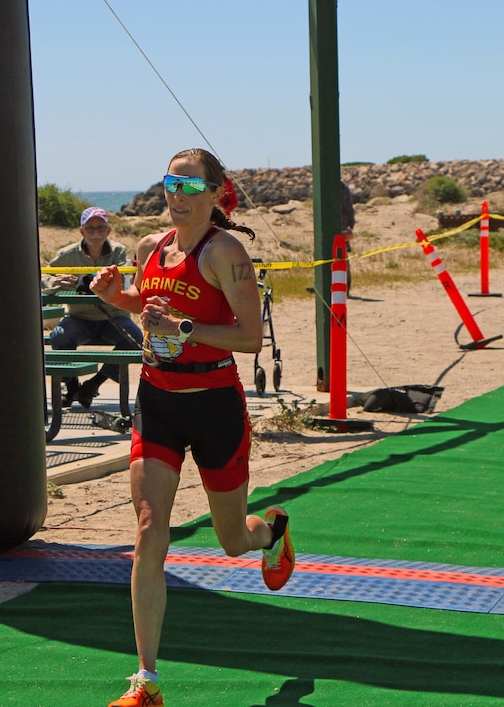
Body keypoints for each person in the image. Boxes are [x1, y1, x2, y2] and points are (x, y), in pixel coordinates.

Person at [89, 148, 295, 707]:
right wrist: (118, 299)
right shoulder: (149, 247)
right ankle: (146, 681)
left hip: (214, 406)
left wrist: (183, 327)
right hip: (158, 399)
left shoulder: (225, 252)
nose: (176, 197)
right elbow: (146, 307)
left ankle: (271, 530)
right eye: (169, 185)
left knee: (232, 542)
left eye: (188, 187)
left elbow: (251, 338)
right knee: (150, 528)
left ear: (215, 192)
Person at [43, 207, 143, 409]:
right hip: (79, 317)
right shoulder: (67, 254)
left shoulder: (118, 251)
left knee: (135, 339)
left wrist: (80, 281)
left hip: (113, 316)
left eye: (100, 228)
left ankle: (92, 384)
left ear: (108, 230)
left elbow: (120, 281)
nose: (95, 233)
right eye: (90, 229)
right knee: (59, 337)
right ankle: (71, 387)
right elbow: (45, 276)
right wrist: (55, 284)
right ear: (82, 231)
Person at [341, 180, 356, 294]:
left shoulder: (342, 187)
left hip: (342, 228)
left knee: (343, 258)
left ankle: (346, 288)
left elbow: (349, 209)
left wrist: (350, 227)